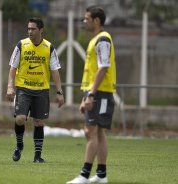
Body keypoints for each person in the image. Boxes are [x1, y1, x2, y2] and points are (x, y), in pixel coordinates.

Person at [67, 6, 116, 184]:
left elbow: (103, 68)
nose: (84, 21)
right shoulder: (95, 39)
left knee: (91, 131)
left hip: (100, 92)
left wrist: (91, 95)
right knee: (98, 132)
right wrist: (86, 95)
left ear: (96, 20)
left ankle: (84, 175)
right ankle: (102, 175)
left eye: (87, 18)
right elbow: (92, 70)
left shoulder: (103, 39)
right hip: (94, 91)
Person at [6, 17, 64, 163]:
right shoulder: (21, 45)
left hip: (41, 90)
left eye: (33, 29)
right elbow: (13, 68)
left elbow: (55, 71)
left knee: (39, 122)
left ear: (41, 30)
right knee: (20, 119)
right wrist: (10, 86)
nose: (30, 31)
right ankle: (19, 146)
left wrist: (59, 92)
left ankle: (37, 156)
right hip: (23, 89)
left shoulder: (49, 47)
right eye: (28, 29)